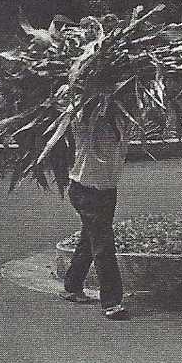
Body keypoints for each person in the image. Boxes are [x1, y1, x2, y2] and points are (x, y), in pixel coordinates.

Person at [59, 112, 133, 320]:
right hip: (86, 190)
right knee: (103, 244)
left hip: (107, 190)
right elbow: (76, 110)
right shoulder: (86, 119)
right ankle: (112, 302)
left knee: (90, 238)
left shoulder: (122, 118)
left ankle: (72, 285)